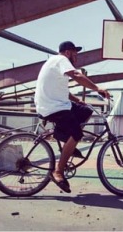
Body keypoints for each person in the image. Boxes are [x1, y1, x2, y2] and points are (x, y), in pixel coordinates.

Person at [34, 41, 110, 193]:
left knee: (85, 111)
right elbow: (76, 75)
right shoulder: (62, 60)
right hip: (52, 107)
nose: (77, 55)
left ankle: (67, 141)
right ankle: (58, 171)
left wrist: (78, 100)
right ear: (67, 52)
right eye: (75, 52)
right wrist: (97, 88)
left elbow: (61, 90)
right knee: (77, 133)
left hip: (55, 104)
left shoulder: (53, 62)